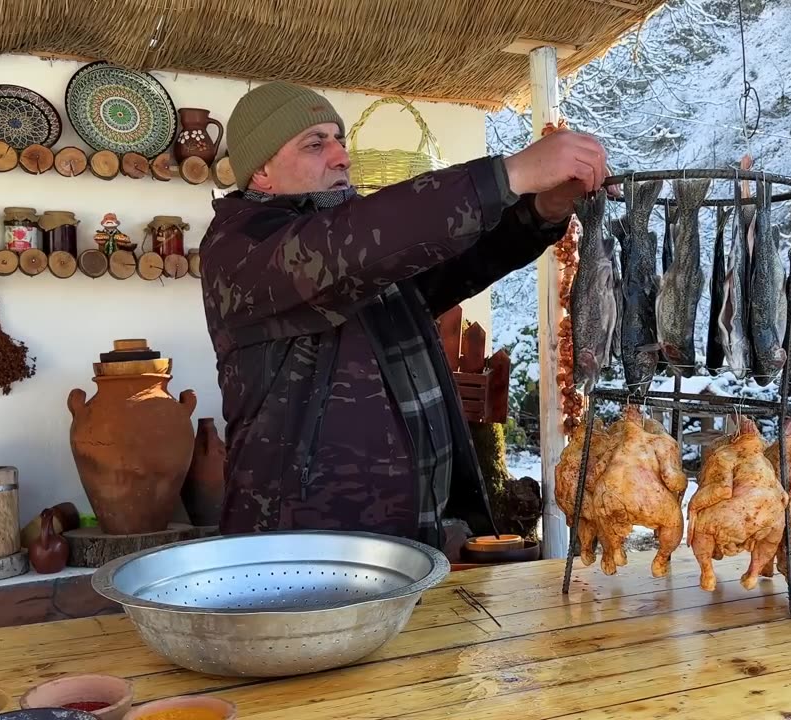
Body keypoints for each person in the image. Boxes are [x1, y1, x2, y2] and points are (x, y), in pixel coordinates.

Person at [199, 81, 614, 550]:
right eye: (316, 144)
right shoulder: (243, 251)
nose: (341, 157)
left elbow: (456, 262)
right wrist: (510, 173)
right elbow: (355, 241)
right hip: (300, 549)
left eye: (339, 139)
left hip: (406, 538)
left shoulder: (365, 250)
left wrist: (540, 209)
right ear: (261, 173)